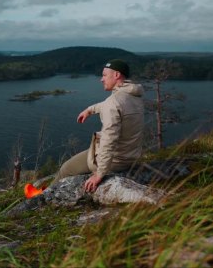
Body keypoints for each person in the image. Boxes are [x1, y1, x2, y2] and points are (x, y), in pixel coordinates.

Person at [54, 59, 145, 193]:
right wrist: (90, 110)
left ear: (116, 75)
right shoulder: (134, 96)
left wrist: (100, 173)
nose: (101, 79)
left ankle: (44, 195)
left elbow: (109, 140)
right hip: (131, 156)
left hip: (116, 160)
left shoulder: (113, 102)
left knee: (66, 168)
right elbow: (110, 106)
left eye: (104, 75)